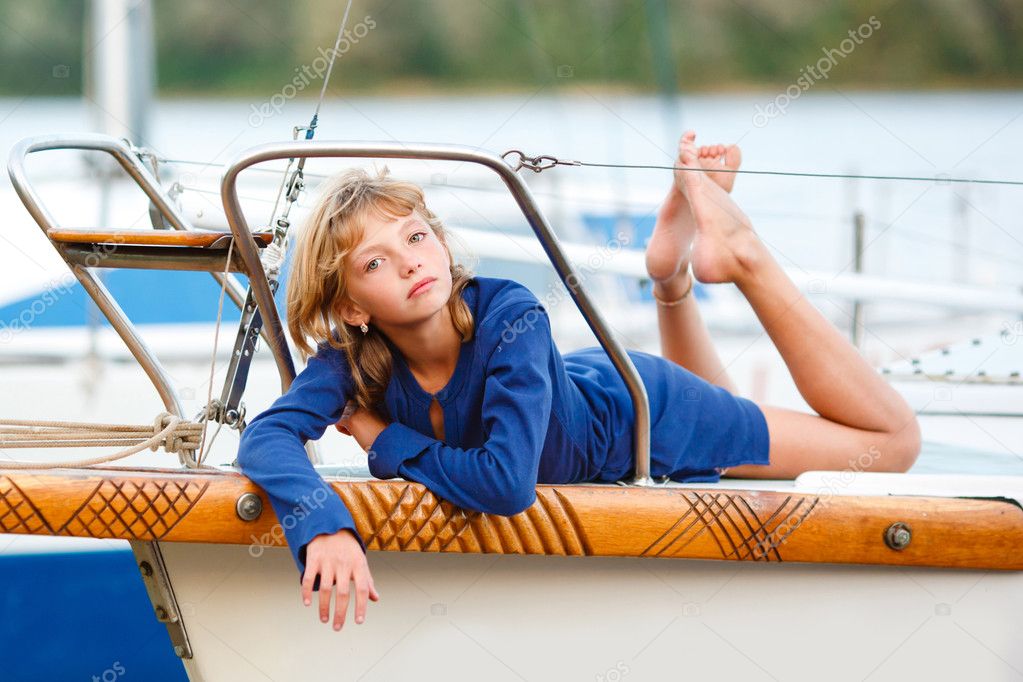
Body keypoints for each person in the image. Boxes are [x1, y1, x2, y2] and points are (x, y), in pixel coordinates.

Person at [236, 129, 921, 633]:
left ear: (440, 241)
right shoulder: (351, 360)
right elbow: (266, 438)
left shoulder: (511, 315)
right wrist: (321, 526)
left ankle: (741, 257)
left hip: (646, 411)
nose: (411, 262)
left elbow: (506, 485)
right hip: (579, 386)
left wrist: (384, 440)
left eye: (416, 237)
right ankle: (669, 277)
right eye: (375, 263)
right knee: (750, 412)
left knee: (889, 443)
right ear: (352, 306)